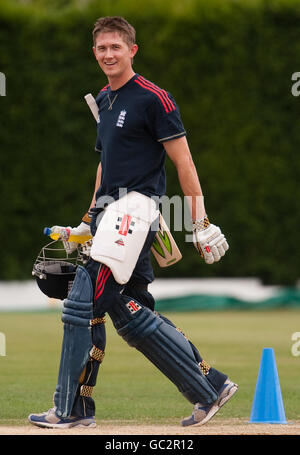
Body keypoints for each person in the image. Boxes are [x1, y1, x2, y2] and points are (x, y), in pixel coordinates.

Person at [28, 16, 237, 429]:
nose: (108, 54)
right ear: (94, 53)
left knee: (81, 304)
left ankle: (70, 410)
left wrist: (200, 221)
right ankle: (209, 387)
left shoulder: (153, 98)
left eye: (116, 47)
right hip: (110, 216)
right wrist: (88, 219)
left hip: (135, 213)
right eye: (101, 48)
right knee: (130, 312)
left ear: (132, 51)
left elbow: (184, 160)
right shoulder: (104, 100)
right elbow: (106, 166)